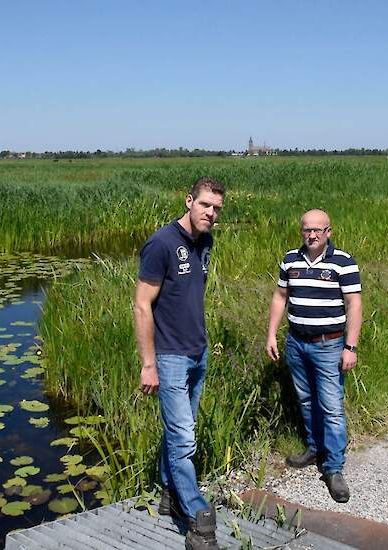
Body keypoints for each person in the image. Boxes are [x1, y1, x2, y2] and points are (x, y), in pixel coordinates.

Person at [134, 176, 225, 550]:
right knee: (185, 440)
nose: (211, 213)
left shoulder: (206, 242)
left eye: (217, 208)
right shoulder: (161, 244)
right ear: (189, 201)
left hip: (197, 352)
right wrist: (148, 364)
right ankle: (198, 519)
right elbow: (142, 305)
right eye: (205, 205)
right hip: (169, 358)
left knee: (179, 433)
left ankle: (170, 494)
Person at [265, 209, 363, 503]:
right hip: (296, 342)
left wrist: (351, 347)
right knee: (306, 401)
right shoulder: (290, 259)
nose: (312, 235)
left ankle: (333, 468)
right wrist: (271, 333)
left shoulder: (343, 262)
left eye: (318, 230)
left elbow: (354, 305)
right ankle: (314, 447)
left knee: (331, 407)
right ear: (302, 231)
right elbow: (280, 297)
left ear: (328, 232)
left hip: (329, 345)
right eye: (307, 230)